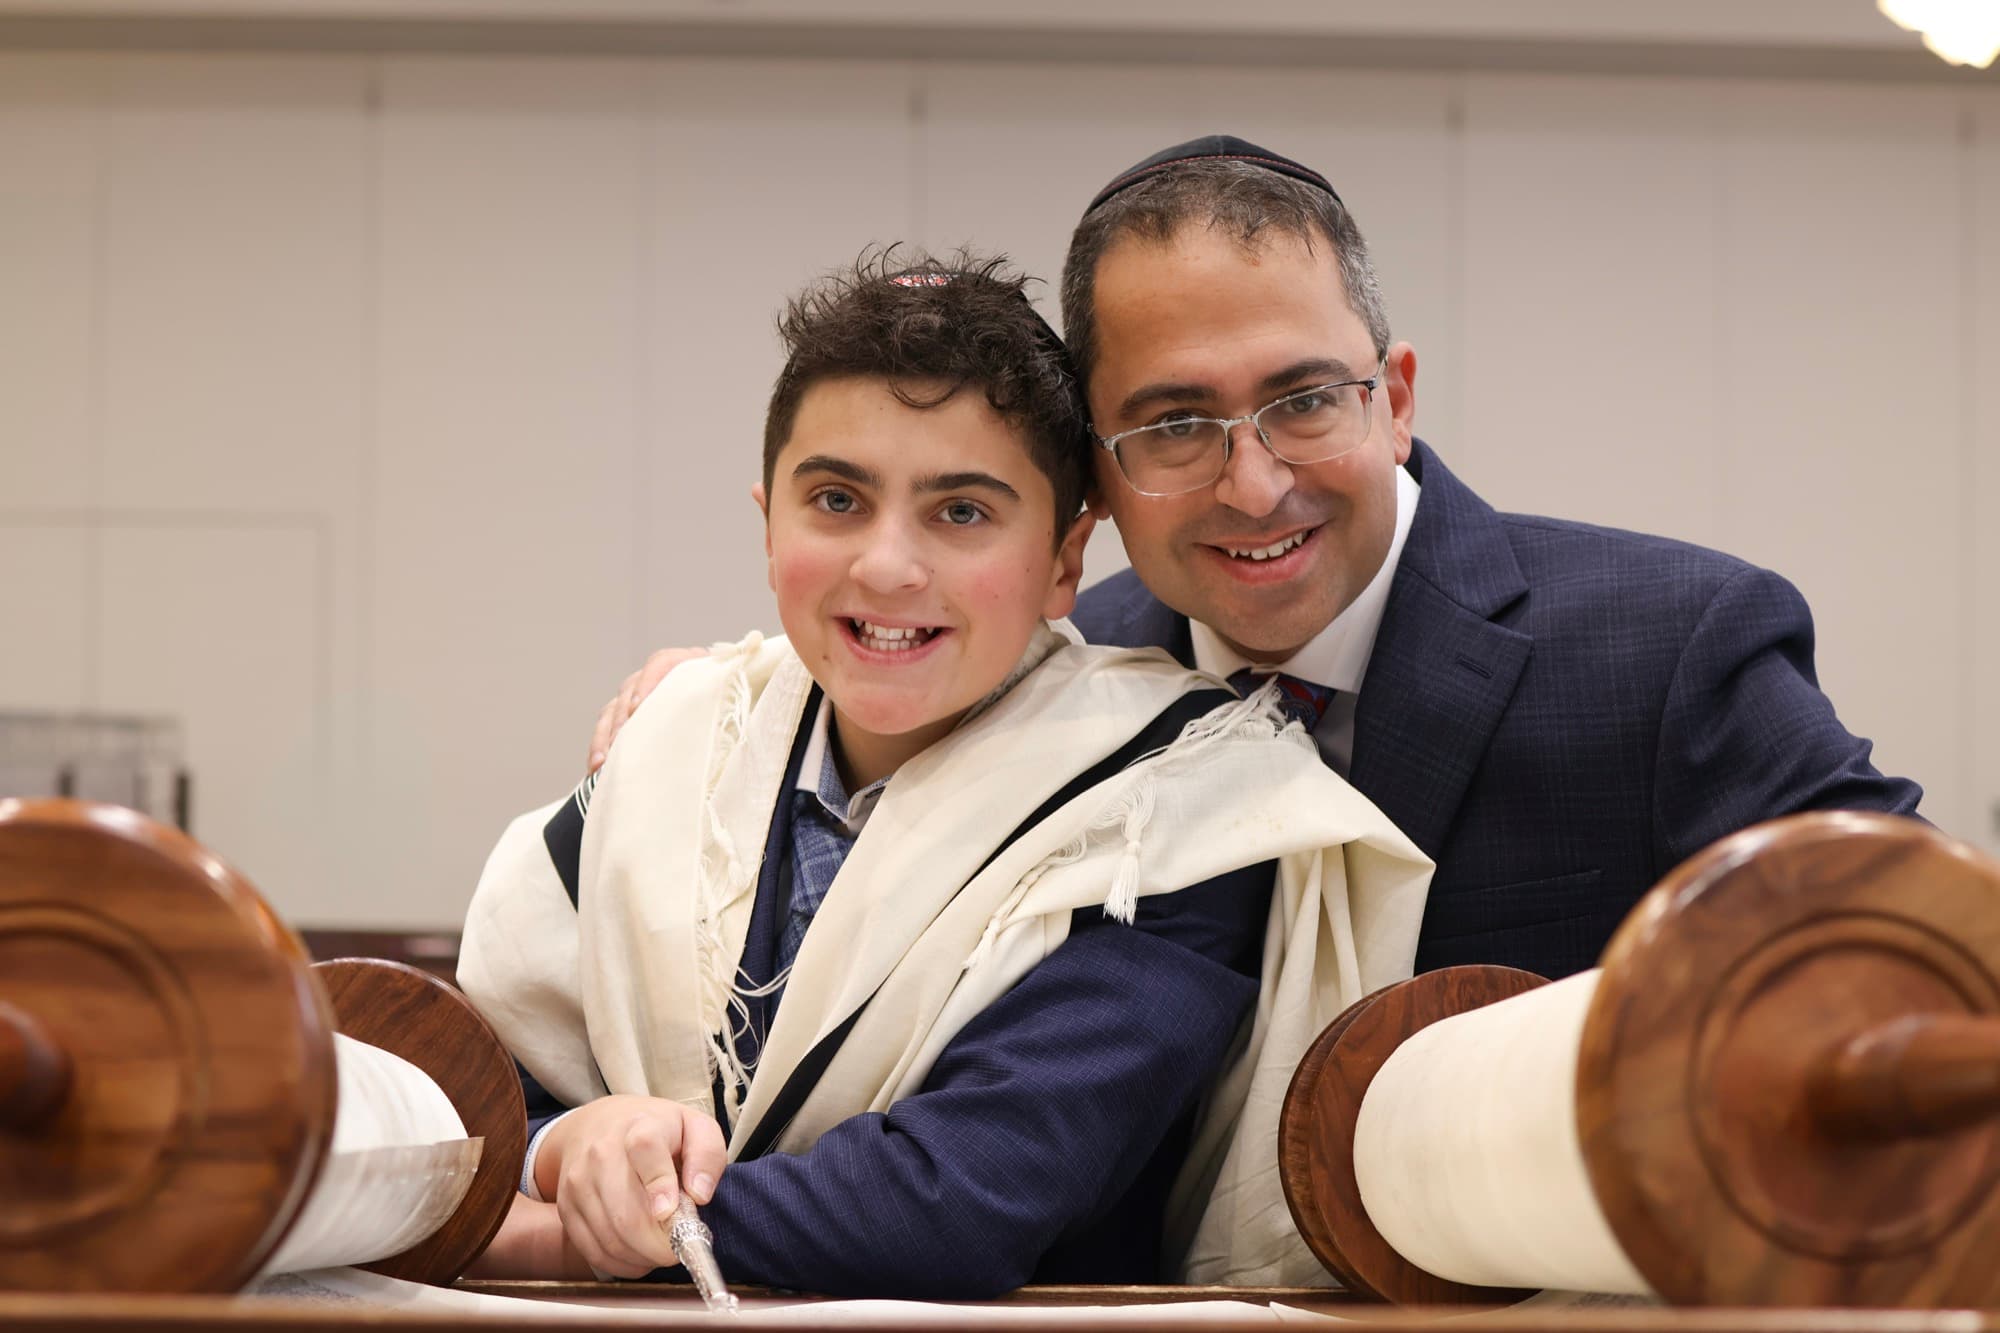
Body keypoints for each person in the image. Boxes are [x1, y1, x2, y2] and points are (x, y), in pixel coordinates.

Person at [593, 136, 1922, 983]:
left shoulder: (1676, 643)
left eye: (1305, 400)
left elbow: (1918, 956)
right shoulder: (1063, 673)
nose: (1255, 481)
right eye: (1174, 425)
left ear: (1394, 396)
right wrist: (724, 703)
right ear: (1096, 482)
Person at [458, 249, 1432, 1297]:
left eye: (960, 511)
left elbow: (954, 1200)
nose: (885, 565)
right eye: (834, 500)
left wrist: (565, 1234)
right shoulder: (679, 739)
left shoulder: (1178, 795)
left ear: (1065, 559)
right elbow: (469, 1103)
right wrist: (560, 1146)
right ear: (767, 520)